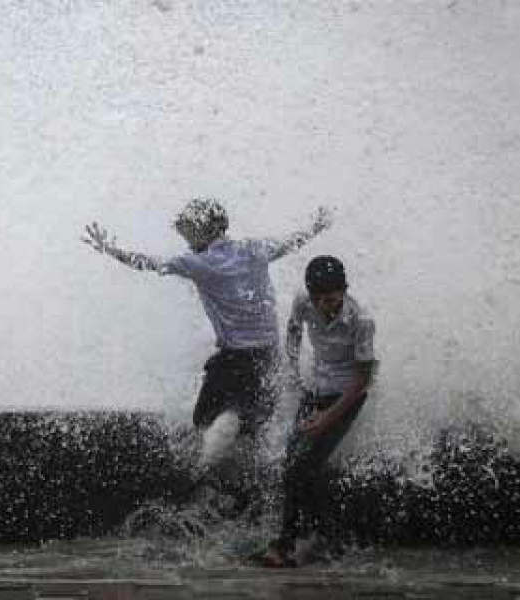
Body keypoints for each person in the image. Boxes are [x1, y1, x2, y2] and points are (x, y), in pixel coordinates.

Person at [81, 199, 330, 501]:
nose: (184, 238)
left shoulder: (199, 263)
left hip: (234, 359)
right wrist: (314, 227)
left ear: (204, 230)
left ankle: (204, 481)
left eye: (187, 232)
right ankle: (240, 484)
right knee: (248, 421)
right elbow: (292, 242)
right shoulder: (255, 249)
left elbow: (149, 263)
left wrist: (111, 250)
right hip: (267, 357)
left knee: (210, 419)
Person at [263, 255, 376, 568]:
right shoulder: (303, 301)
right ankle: (327, 536)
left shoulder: (361, 320)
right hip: (316, 388)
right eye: (319, 300)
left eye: (331, 300)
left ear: (344, 291)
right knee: (293, 464)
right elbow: (293, 332)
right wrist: (294, 370)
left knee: (304, 466)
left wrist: (327, 417)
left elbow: (363, 380)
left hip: (347, 397)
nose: (325, 306)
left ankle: (285, 544)